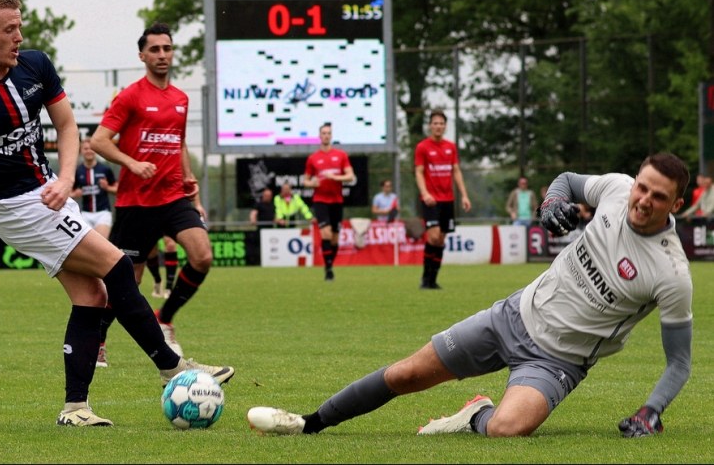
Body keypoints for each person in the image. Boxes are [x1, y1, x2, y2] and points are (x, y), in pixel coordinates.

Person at [0, 0, 232, 427]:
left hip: (46, 193)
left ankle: (75, 408)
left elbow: (66, 126)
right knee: (117, 264)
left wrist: (66, 178)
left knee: (92, 295)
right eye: (9, 30)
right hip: (15, 208)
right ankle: (172, 367)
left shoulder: (36, 66)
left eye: (21, 26)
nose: (19, 36)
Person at [247, 152, 693, 440]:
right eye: (642, 186)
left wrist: (650, 411)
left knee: (506, 428)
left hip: (558, 362)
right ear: (633, 181)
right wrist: (552, 200)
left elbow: (679, 362)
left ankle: (474, 415)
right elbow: (568, 179)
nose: (643, 200)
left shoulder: (671, 273)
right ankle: (310, 422)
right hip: (512, 316)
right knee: (405, 375)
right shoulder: (615, 189)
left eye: (658, 196)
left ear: (675, 205)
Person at [90, 22, 228, 373]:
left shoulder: (181, 98)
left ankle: (165, 319)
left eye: (167, 48)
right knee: (126, 282)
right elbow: (100, 141)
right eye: (155, 50)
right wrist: (132, 163)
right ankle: (98, 342)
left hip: (173, 196)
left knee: (202, 255)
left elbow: (177, 142)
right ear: (142, 55)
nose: (162, 55)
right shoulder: (130, 96)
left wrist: (188, 175)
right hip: (136, 203)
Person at [414, 109, 472, 290]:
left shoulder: (450, 147)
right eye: (435, 123)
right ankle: (425, 278)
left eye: (441, 123)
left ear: (445, 126)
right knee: (432, 237)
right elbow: (419, 172)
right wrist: (425, 193)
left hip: (448, 199)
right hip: (431, 199)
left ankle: (433, 280)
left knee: (440, 239)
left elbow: (456, 171)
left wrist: (464, 195)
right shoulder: (422, 147)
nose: (438, 126)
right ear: (430, 126)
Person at [303, 122, 354, 281]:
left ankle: (329, 263)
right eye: (323, 133)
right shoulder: (313, 158)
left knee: (334, 238)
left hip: (336, 200)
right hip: (320, 200)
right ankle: (329, 269)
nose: (326, 135)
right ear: (319, 136)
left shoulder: (341, 155)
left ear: (331, 136)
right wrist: (312, 183)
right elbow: (305, 180)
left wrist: (335, 177)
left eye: (328, 133)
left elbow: (350, 176)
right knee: (325, 233)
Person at [71, 137, 118, 238]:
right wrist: (75, 194)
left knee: (100, 242)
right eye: (85, 149)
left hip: (103, 213)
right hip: (85, 214)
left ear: (95, 150)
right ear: (81, 151)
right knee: (87, 247)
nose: (89, 151)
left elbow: (117, 190)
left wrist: (107, 188)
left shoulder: (105, 169)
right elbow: (68, 193)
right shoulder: (78, 171)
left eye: (91, 148)